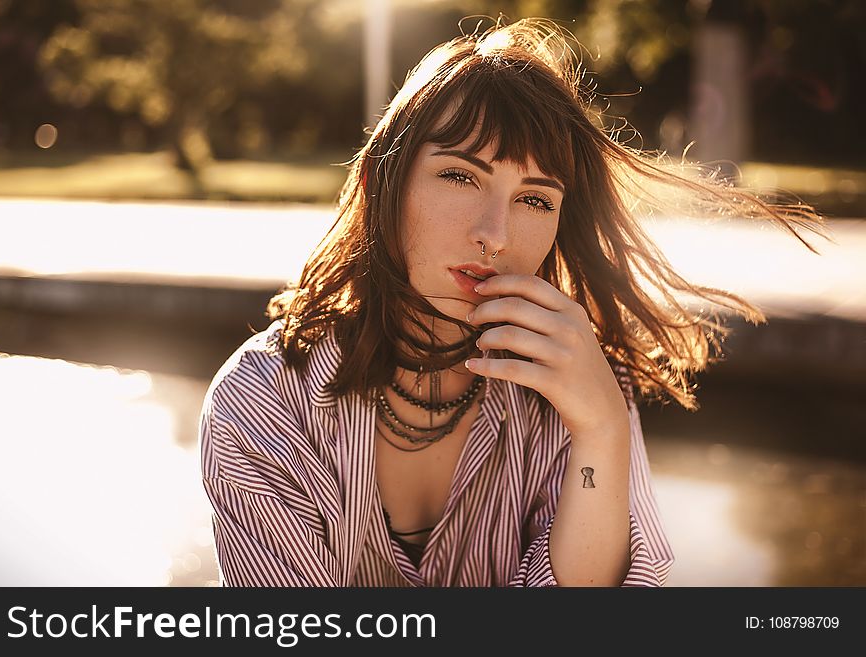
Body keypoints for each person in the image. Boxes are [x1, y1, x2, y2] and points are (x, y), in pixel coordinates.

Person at [198, 16, 824, 587]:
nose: (494, 235)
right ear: (380, 184)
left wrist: (601, 430)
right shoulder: (262, 404)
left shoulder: (574, 378)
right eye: (459, 176)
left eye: (534, 200)